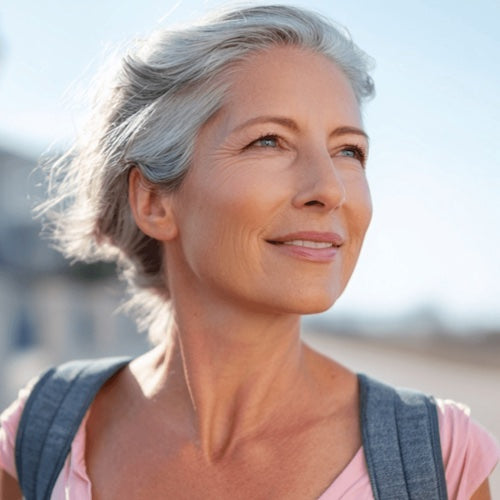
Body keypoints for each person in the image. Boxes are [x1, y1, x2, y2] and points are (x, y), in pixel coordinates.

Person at [1, 5, 498, 499]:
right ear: (154, 201)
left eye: (349, 151)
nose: (330, 189)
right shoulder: (41, 437)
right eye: (269, 141)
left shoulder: (439, 463)